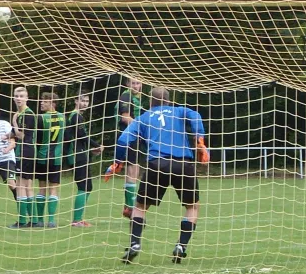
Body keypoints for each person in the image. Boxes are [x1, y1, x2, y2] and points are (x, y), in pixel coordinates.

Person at [105, 87, 209, 264]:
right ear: (168, 101)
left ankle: (135, 243)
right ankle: (181, 246)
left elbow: (123, 140)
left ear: (150, 102)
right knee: (192, 207)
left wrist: (117, 162)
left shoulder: (143, 118)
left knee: (140, 206)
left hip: (157, 164)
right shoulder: (180, 111)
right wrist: (200, 140)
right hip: (183, 164)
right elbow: (196, 116)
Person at [65, 91, 103, 227]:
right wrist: (97, 145)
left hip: (80, 153)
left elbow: (78, 137)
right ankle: (76, 220)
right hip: (76, 155)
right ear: (76, 100)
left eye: (87, 101)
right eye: (82, 100)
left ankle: (79, 218)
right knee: (84, 185)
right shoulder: (75, 116)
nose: (85, 103)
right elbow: (81, 136)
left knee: (88, 186)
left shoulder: (78, 116)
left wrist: (91, 149)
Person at [114, 78, 144, 219]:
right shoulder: (126, 96)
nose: (136, 86)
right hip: (127, 136)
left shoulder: (137, 97)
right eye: (133, 83)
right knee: (131, 170)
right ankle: (129, 208)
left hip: (135, 136)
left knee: (135, 170)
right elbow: (125, 118)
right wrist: (145, 125)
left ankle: (129, 207)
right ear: (127, 84)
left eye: (138, 83)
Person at [34, 92, 65, 228]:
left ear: (53, 103)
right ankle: (51, 220)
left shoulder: (40, 118)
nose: (41, 103)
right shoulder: (62, 118)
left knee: (42, 188)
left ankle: (40, 220)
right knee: (53, 189)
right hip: (56, 158)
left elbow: (37, 139)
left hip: (42, 157)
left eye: (45, 101)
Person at [9, 87, 37, 228]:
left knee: (20, 185)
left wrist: (14, 122)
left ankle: (21, 220)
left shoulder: (27, 114)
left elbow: (22, 135)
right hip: (26, 151)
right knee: (27, 186)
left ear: (27, 98)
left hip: (26, 151)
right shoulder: (22, 114)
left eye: (21, 96)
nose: (18, 98)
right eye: (16, 96)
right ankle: (34, 220)